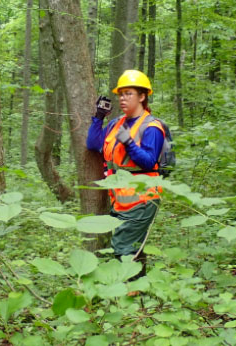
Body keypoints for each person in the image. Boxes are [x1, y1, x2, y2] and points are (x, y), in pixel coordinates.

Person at [86, 70, 165, 280]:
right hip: (119, 199)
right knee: (132, 247)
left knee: (123, 247)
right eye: (120, 94)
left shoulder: (152, 127)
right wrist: (99, 117)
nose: (122, 98)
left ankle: (129, 296)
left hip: (142, 198)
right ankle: (141, 292)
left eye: (128, 93)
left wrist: (129, 142)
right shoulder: (116, 123)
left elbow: (149, 161)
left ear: (142, 96)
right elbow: (93, 144)